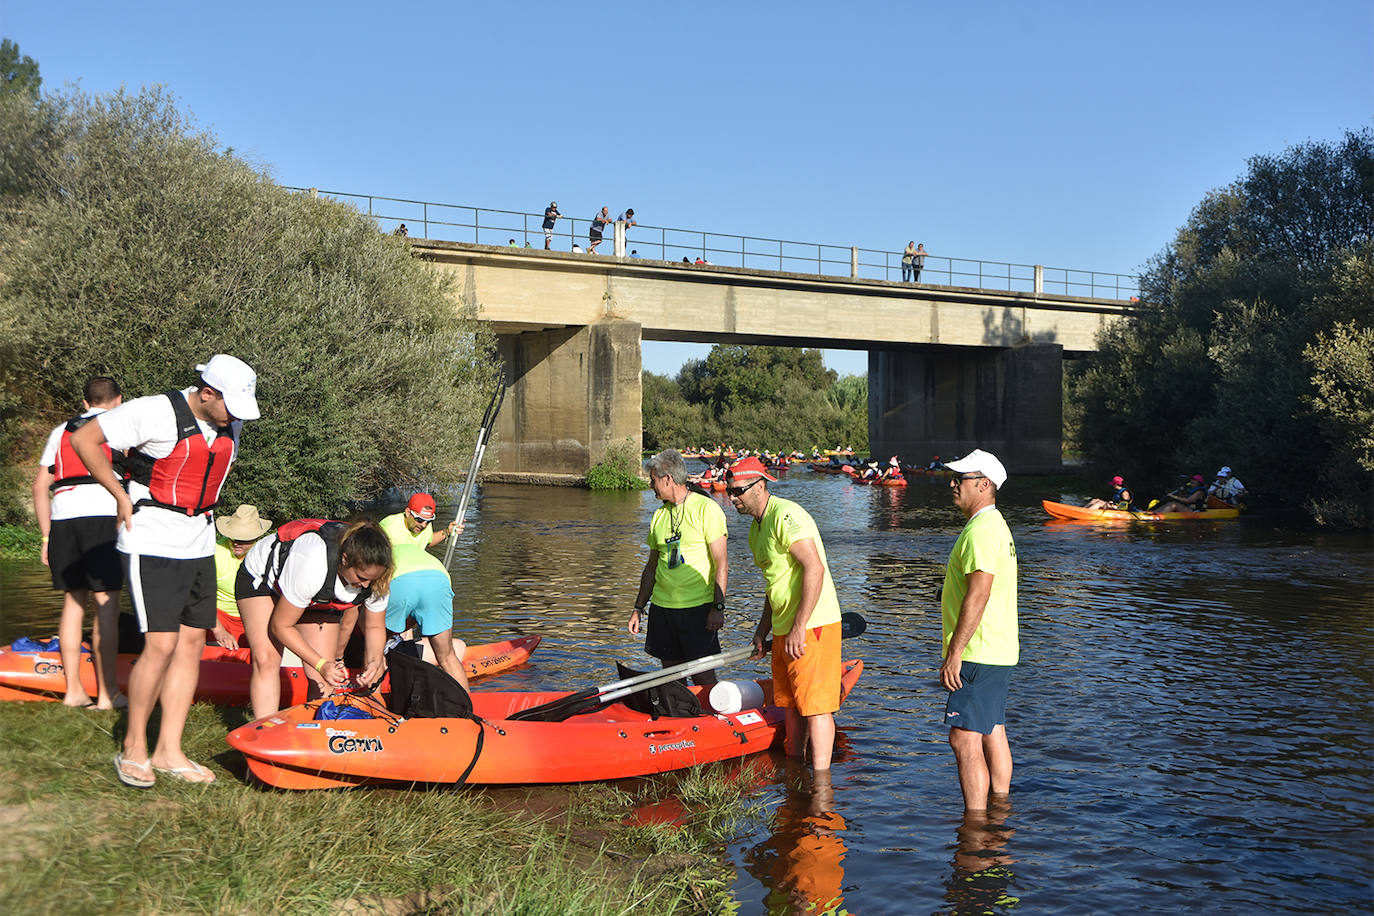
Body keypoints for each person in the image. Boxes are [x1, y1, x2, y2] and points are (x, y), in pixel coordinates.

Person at [71, 354, 260, 787]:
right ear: (207, 393)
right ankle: (133, 748)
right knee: (160, 644)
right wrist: (119, 495)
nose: (236, 418)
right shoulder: (153, 411)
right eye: (230, 406)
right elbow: (86, 439)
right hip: (150, 537)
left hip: (199, 538)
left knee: (193, 642)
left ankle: (169, 751)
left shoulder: (232, 421)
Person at [729, 456, 843, 770]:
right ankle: (795, 770)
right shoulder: (756, 529)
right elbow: (773, 586)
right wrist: (762, 631)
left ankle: (821, 785)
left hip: (812, 626)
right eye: (730, 491)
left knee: (816, 708)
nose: (732, 497)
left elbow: (814, 568)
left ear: (759, 486)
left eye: (738, 491)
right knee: (790, 705)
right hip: (784, 628)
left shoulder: (786, 515)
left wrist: (799, 625)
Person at [31, 375, 126, 709]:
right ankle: (108, 694)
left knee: (73, 604)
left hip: (63, 521)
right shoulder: (120, 428)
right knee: (107, 604)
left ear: (85, 403)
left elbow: (39, 486)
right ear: (118, 400)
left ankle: (73, 692)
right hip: (101, 516)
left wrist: (46, 537)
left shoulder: (60, 432)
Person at [237, 519, 393, 719]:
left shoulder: (377, 580)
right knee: (267, 660)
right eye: (361, 577)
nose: (365, 585)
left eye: (372, 579)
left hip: (313, 594)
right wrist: (320, 664)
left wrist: (373, 662)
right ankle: (265, 731)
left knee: (325, 679)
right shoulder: (313, 563)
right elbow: (281, 626)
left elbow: (374, 626)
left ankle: (318, 733)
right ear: (344, 559)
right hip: (264, 580)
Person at [939, 448, 1018, 812]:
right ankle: (999, 810)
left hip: (978, 652)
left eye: (961, 479)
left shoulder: (982, 530)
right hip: (998, 650)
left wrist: (955, 653)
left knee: (963, 739)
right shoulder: (995, 525)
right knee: (992, 730)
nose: (953, 484)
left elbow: (980, 592)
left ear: (984, 485)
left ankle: (974, 824)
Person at [628, 449, 728, 686]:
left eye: (653, 480)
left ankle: (711, 718)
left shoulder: (707, 509)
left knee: (702, 676)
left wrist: (718, 607)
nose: (651, 486)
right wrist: (638, 608)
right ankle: (680, 717)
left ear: (668, 479)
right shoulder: (659, 516)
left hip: (697, 609)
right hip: (663, 609)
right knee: (670, 677)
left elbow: (721, 563)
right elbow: (651, 568)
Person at [387, 542, 469, 690]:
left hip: (400, 581)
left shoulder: (374, 555)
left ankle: (374, 705)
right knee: (449, 655)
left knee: (375, 653)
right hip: (438, 577)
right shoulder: (410, 547)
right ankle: (468, 711)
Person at [210, 504, 273, 648]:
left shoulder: (266, 556)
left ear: (256, 537)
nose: (237, 543)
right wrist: (219, 630)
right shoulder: (216, 553)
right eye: (233, 537)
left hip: (251, 617)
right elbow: (200, 596)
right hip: (217, 615)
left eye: (244, 539)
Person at [379, 493, 460, 549]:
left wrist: (448, 531)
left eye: (428, 521)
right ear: (408, 512)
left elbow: (428, 541)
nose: (424, 525)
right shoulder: (388, 527)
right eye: (419, 520)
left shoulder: (425, 525)